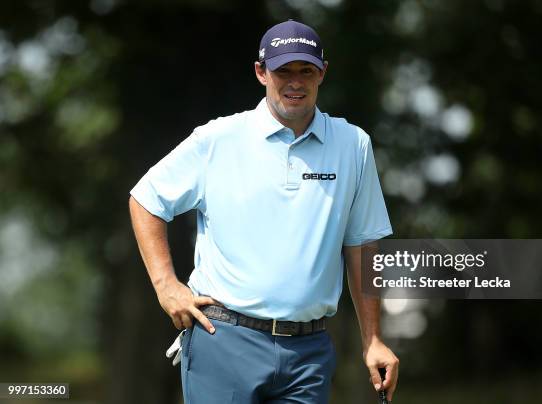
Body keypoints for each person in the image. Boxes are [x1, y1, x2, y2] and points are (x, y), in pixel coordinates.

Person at [129, 19, 399, 403]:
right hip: (222, 340)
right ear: (261, 72)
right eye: (283, 71)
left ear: (322, 73)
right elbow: (146, 199)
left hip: (308, 353)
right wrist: (166, 286)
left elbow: (362, 244)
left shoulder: (353, 144)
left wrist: (373, 340)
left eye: (306, 70)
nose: (295, 82)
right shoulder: (218, 139)